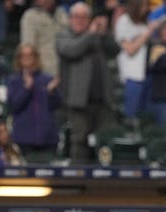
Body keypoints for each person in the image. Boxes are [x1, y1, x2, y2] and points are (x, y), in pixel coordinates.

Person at [56, 2, 120, 163]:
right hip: (78, 101)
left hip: (102, 99)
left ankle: (107, 182)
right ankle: (78, 178)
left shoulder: (97, 36)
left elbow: (115, 50)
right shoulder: (63, 36)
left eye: (85, 17)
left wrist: (104, 33)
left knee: (106, 140)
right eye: (77, 17)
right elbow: (72, 50)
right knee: (79, 140)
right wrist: (91, 34)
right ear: (70, 19)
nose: (80, 20)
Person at [7, 43, 61, 163]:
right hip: (24, 138)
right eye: (23, 55)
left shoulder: (47, 79)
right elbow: (13, 106)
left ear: (36, 57)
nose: (27, 58)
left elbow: (56, 105)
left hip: (48, 137)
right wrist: (26, 89)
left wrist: (52, 92)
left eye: (30, 55)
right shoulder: (14, 81)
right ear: (18, 59)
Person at [20, 0, 69, 76]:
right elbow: (28, 48)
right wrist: (28, 73)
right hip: (41, 73)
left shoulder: (62, 13)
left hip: (63, 71)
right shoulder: (30, 16)